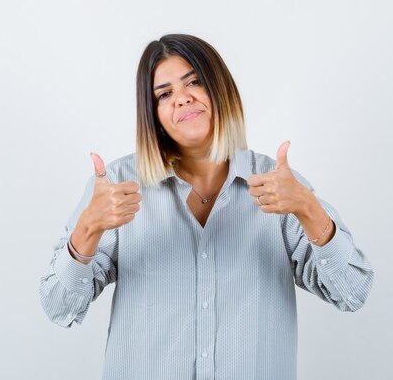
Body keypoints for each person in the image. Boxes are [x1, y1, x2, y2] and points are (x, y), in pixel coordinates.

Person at [39, 34, 374, 380]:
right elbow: (59, 307)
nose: (182, 99)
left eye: (194, 82)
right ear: (152, 114)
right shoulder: (116, 186)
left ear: (220, 89)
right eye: (164, 94)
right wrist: (87, 229)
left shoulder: (279, 185)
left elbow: (352, 293)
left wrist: (308, 208)